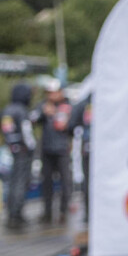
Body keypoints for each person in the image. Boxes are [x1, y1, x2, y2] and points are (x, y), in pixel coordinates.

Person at [30, 79, 72, 225]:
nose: (51, 95)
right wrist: (43, 112)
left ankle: (63, 211)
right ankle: (47, 212)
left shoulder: (68, 106)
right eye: (49, 92)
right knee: (46, 181)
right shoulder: (43, 105)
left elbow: (73, 125)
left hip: (62, 150)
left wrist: (59, 118)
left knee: (66, 181)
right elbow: (32, 119)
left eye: (54, 92)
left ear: (60, 92)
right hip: (47, 149)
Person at [1, 83, 36, 229]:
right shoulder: (22, 111)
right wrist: (31, 148)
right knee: (20, 182)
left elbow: (6, 131)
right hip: (22, 151)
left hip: (11, 150)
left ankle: (11, 212)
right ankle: (16, 214)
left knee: (12, 182)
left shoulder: (7, 110)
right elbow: (27, 133)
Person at [69, 92, 93, 223]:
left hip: (88, 147)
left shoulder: (83, 104)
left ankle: (89, 214)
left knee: (88, 181)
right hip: (105, 149)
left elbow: (71, 125)